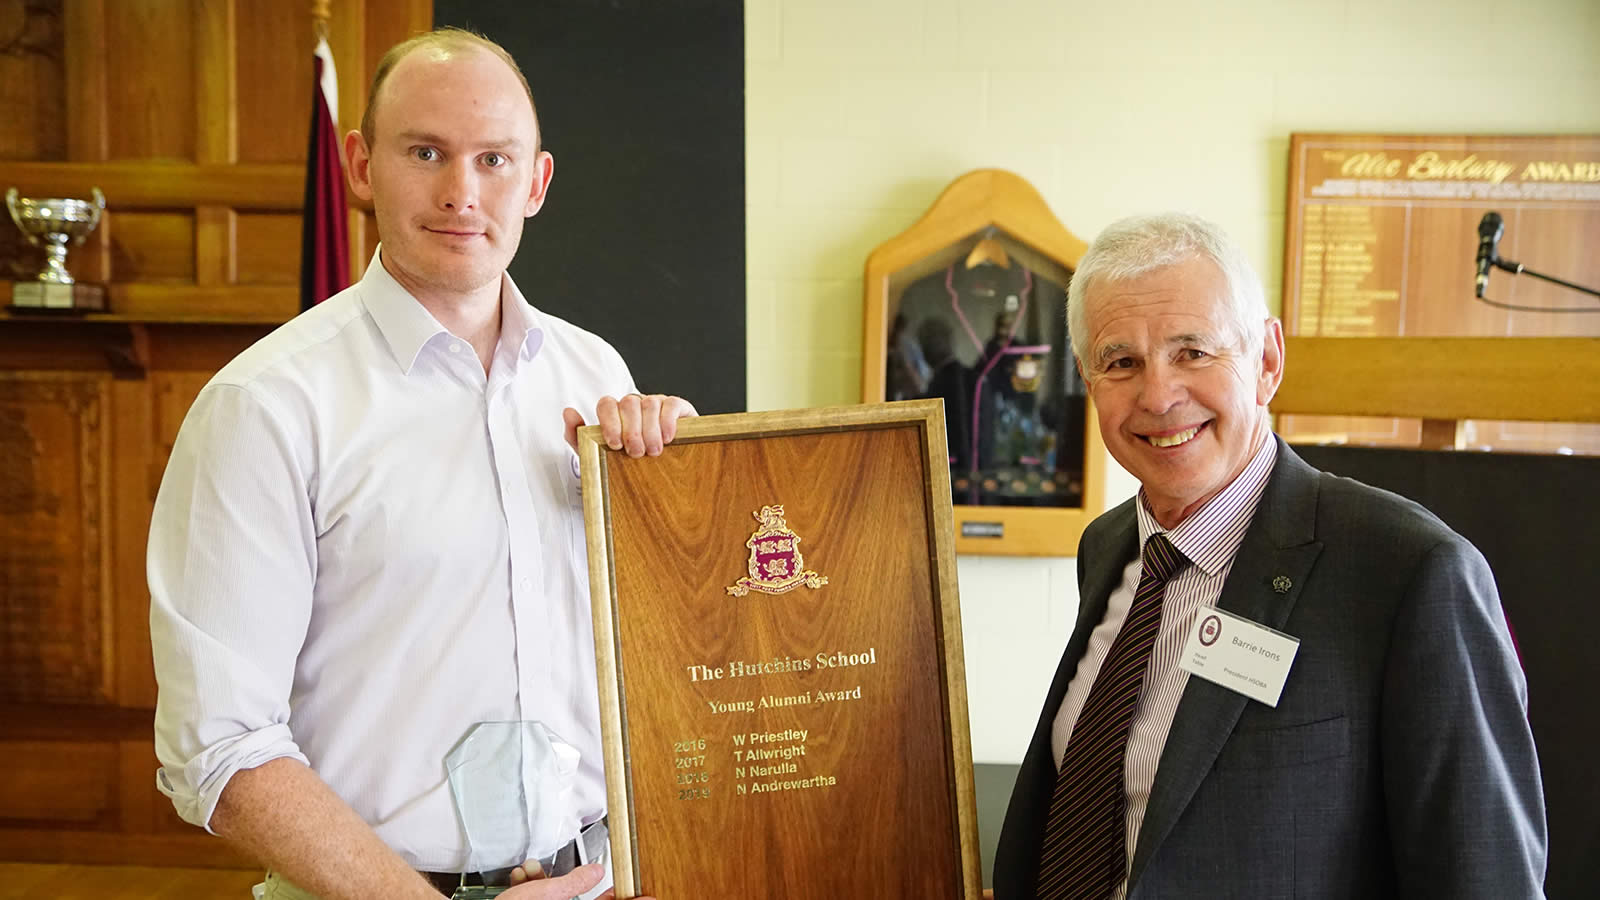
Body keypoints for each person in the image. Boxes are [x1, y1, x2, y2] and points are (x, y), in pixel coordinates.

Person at [148, 28, 685, 900]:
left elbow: (656, 655)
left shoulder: (597, 377)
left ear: (537, 182)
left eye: (494, 160)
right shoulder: (265, 407)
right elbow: (219, 745)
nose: (460, 193)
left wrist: (689, 495)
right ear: (360, 166)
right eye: (425, 151)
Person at [992, 213, 1546, 899]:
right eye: (1122, 362)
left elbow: (1484, 878)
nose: (1159, 395)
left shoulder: (1408, 573)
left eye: (1193, 352)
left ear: (1267, 361)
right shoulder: (1108, 549)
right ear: (1086, 378)